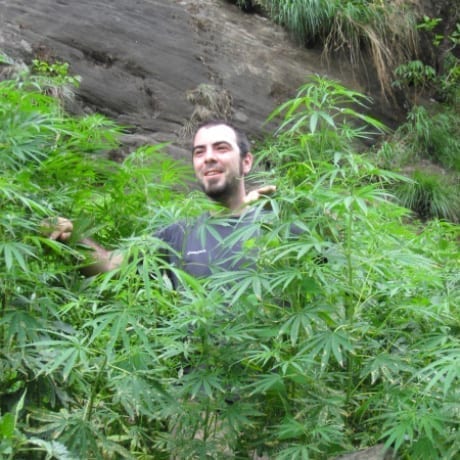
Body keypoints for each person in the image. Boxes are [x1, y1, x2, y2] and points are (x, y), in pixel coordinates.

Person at [44, 120, 275, 280]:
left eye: (221, 148)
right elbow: (111, 265)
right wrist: (71, 237)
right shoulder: (179, 234)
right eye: (199, 152)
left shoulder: (280, 224)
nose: (209, 158)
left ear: (246, 162)